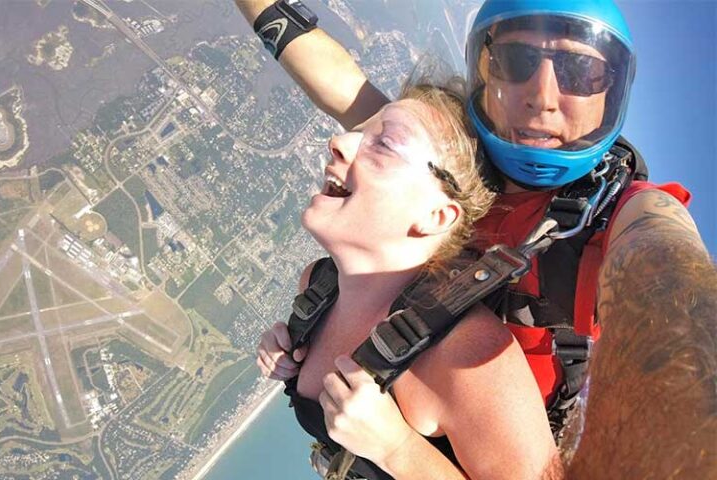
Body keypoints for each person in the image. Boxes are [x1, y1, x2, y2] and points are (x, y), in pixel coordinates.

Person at [238, 0, 716, 478]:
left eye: (580, 72)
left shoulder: (621, 213)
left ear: (612, 94)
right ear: (485, 75)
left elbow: (669, 263)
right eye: (516, 62)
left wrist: (399, 449)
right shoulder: (450, 164)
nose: (542, 96)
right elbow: (341, 85)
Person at [258, 79, 559, 479]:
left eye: (383, 144)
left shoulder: (472, 356)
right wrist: (286, 354)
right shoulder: (318, 286)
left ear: (436, 216)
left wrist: (397, 447)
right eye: (360, 134)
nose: (339, 142)